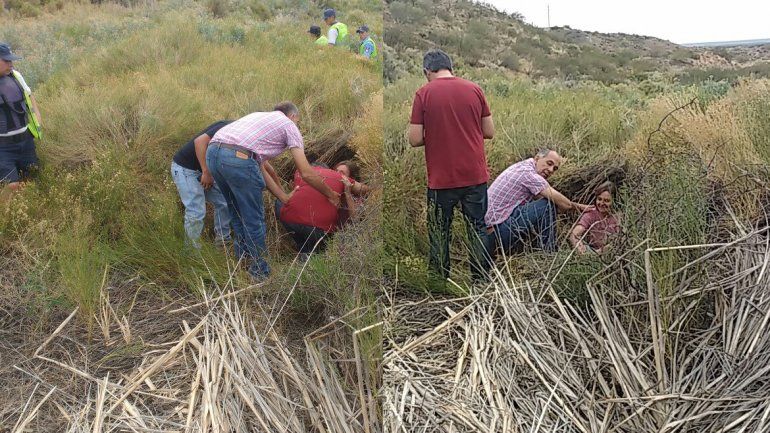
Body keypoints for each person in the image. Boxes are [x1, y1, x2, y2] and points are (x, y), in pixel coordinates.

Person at [206, 102, 340, 280]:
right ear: (293, 116)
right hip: (238, 158)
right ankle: (260, 273)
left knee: (237, 213)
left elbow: (256, 165)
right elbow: (306, 172)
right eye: (298, 122)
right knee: (254, 220)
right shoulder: (289, 125)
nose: (297, 125)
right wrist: (331, 194)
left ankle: (242, 263)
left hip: (213, 153)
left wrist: (283, 197)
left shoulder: (258, 117)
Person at [408, 49, 495, 282]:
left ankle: (439, 282)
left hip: (442, 178)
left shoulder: (423, 93)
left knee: (440, 230)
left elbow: (414, 139)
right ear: (450, 68)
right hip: (475, 175)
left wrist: (438, 135)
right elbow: (489, 131)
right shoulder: (475, 89)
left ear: (427, 71)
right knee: (477, 227)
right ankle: (480, 281)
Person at [485, 148, 591, 255]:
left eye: (555, 168)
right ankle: (549, 253)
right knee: (547, 205)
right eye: (549, 163)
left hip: (491, 230)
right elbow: (565, 204)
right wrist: (579, 207)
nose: (551, 170)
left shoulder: (523, 167)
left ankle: (534, 248)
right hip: (494, 234)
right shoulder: (529, 174)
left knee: (543, 204)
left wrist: (571, 206)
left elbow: (541, 198)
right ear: (537, 158)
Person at [263, 162, 350, 259]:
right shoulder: (334, 180)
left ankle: (306, 250)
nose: (337, 173)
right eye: (335, 170)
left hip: (321, 230)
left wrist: (348, 192)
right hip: (319, 230)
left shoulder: (345, 186)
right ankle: (307, 250)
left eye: (342, 172)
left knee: (281, 204)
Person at [170, 120, 232, 248]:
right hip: (186, 169)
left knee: (224, 201)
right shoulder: (227, 126)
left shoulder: (243, 136)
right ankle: (192, 252)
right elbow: (199, 142)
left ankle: (223, 243)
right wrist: (206, 172)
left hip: (204, 170)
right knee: (196, 211)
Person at [0, 43, 42, 195]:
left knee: (31, 179)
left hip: (26, 141)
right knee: (11, 185)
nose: (11, 63)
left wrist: (38, 118)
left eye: (11, 60)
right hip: (3, 147)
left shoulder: (16, 76)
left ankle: (25, 207)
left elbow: (29, 95)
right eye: (6, 60)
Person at [569, 181, 620, 254]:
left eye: (606, 201)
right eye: (599, 199)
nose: (601, 203)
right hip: (591, 251)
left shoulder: (618, 217)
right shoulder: (591, 214)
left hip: (612, 252)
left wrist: (601, 252)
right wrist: (579, 247)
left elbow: (620, 239)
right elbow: (574, 234)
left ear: (614, 201)